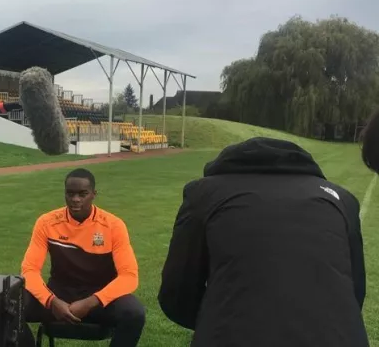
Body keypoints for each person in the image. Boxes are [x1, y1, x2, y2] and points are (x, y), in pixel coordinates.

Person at [158, 137, 368, 347]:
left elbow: (176, 296)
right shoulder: (342, 199)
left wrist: (224, 319)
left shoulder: (203, 194)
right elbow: (355, 291)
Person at [19, 168, 145, 347]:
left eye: (82, 194)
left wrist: (91, 302)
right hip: (59, 294)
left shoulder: (113, 226)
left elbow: (129, 276)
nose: (75, 199)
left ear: (93, 194)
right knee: (10, 306)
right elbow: (29, 270)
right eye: (70, 194)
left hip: (99, 298)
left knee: (134, 313)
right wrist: (51, 300)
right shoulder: (46, 223)